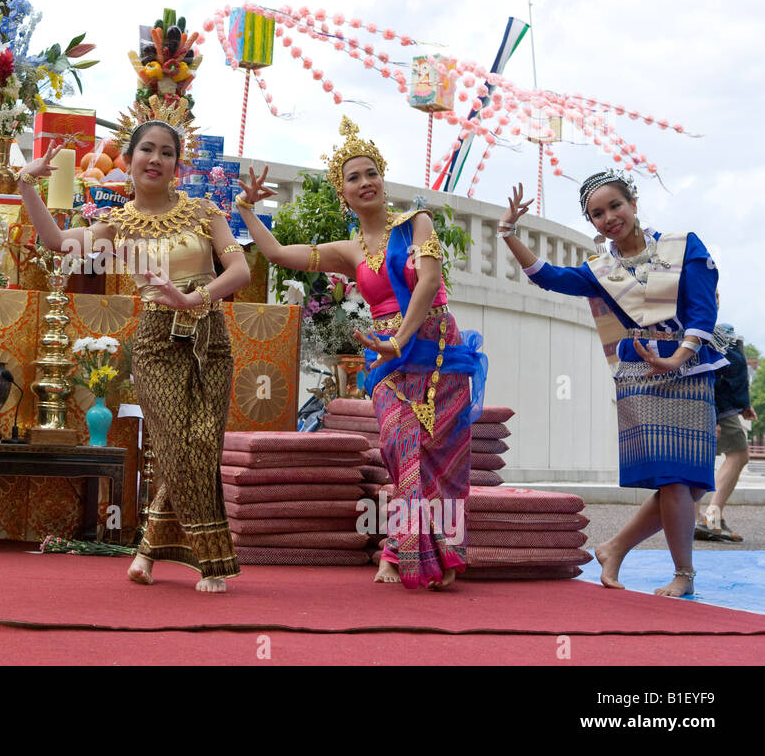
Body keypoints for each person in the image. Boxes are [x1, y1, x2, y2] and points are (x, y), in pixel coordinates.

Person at [238, 117, 486, 590]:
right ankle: (406, 550)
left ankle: (422, 553)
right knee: (399, 446)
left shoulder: (417, 222)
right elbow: (276, 254)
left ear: (382, 179)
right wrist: (249, 209)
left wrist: (401, 337)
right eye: (353, 177)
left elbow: (430, 281)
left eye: (371, 172)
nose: (365, 182)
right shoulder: (348, 250)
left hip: (437, 350)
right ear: (343, 194)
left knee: (443, 454)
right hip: (387, 358)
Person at [17, 120, 250, 593]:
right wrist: (27, 184)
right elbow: (61, 244)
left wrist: (194, 298)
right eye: (147, 149)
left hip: (210, 336)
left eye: (167, 152)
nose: (156, 159)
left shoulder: (205, 212)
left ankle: (146, 551)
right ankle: (212, 560)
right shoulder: (118, 224)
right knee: (178, 445)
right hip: (156, 341)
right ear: (129, 158)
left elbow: (240, 269)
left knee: (201, 443)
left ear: (177, 166)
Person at [501, 172, 725, 597]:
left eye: (615, 207)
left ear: (634, 202)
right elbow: (547, 276)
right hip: (642, 374)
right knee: (675, 480)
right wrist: (509, 232)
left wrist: (676, 358)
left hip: (690, 368)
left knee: (693, 482)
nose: (608, 218)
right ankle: (684, 574)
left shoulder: (682, 246)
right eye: (597, 214)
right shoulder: (601, 269)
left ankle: (615, 547)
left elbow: (701, 310)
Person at [695, 314, 756, 542]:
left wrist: (744, 404)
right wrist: (718, 415)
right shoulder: (720, 333)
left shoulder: (697, 326)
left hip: (704, 403)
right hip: (719, 407)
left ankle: (695, 520)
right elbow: (721, 373)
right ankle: (712, 517)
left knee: (700, 459)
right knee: (739, 454)